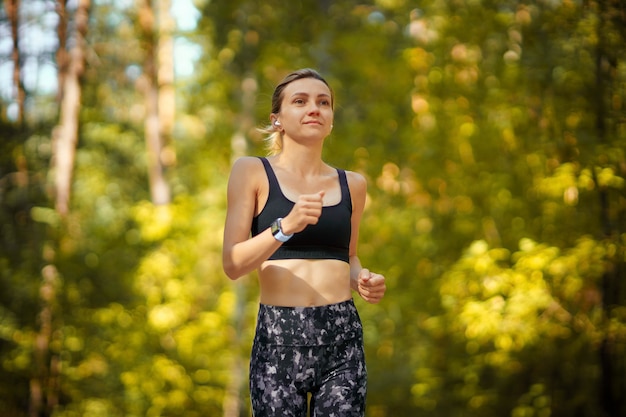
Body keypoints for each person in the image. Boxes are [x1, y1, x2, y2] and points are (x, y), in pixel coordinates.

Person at [222, 68, 386, 417]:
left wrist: (363, 279)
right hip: (278, 340)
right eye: (300, 101)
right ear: (277, 119)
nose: (314, 108)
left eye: (323, 102)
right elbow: (233, 264)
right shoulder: (252, 171)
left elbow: (350, 257)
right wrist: (286, 226)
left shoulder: (352, 183)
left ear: (330, 120)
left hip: (342, 340)